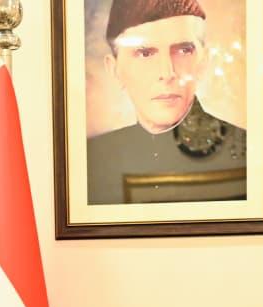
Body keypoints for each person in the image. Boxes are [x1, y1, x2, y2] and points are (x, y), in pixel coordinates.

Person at [87, 0, 247, 205]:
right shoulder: (91, 160)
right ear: (114, 69)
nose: (167, 72)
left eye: (183, 50)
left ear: (204, 62)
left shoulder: (248, 153)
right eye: (145, 53)